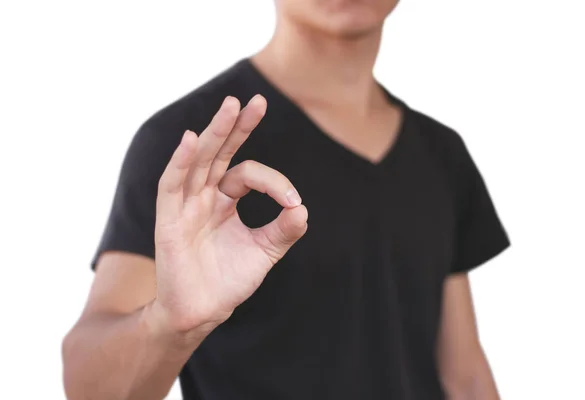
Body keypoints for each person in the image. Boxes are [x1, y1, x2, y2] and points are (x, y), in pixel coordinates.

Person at [62, 1, 510, 399]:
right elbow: (88, 389)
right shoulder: (192, 147)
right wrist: (168, 323)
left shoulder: (441, 154)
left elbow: (464, 374)